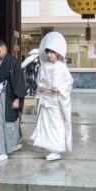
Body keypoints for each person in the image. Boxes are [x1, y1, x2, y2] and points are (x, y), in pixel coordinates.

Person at [31, 32, 73, 161]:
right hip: (46, 99)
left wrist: (59, 89)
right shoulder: (44, 66)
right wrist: (41, 86)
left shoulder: (62, 67)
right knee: (46, 124)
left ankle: (57, 149)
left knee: (57, 125)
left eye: (52, 52)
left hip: (57, 100)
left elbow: (69, 82)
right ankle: (50, 148)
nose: (49, 55)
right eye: (48, 52)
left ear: (58, 53)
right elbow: (38, 80)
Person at [0, 38, 26, 162]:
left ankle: (3, 151)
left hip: (9, 96)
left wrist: (17, 99)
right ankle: (10, 145)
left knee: (6, 121)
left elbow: (18, 82)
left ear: (5, 49)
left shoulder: (13, 62)